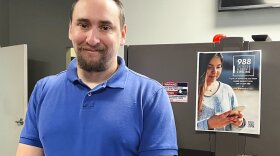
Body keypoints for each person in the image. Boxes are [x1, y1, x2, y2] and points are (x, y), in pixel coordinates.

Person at [16, 0, 178, 155]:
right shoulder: (43, 90)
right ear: (70, 30)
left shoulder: (150, 96)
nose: (92, 40)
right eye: (83, 25)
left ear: (122, 34)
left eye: (105, 27)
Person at [196, 53, 246, 131]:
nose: (215, 71)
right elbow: (184, 127)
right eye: (209, 67)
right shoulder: (192, 91)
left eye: (218, 67)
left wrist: (239, 123)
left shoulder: (227, 90)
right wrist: (208, 124)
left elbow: (233, 130)